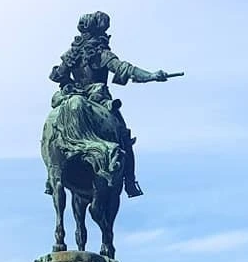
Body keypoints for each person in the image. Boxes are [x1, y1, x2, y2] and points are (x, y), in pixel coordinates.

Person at [48, 11, 175, 198]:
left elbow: (58, 75)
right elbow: (126, 69)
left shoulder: (71, 55)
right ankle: (130, 182)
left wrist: (70, 84)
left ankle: (51, 176)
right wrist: (152, 75)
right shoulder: (101, 53)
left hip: (72, 95)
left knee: (54, 131)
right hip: (98, 99)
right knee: (124, 137)